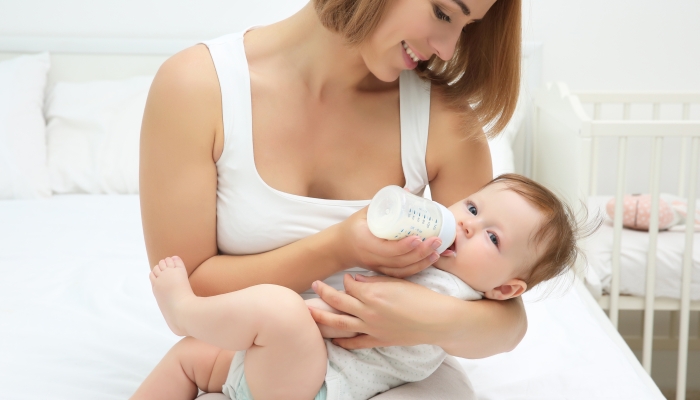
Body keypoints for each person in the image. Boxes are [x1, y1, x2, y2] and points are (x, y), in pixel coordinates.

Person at [138, 0, 523, 397]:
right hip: (261, 368)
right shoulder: (197, 87)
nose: (447, 48)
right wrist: (339, 247)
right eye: (443, 13)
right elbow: (190, 294)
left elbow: (506, 319)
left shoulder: (446, 121)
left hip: (388, 376)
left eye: (467, 25)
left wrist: (427, 318)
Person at [132, 174, 583, 400]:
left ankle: (182, 310)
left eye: (492, 237)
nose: (466, 225)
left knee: (281, 310)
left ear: (505, 289)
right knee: (189, 359)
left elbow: (466, 330)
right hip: (273, 367)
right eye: (471, 207)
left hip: (318, 386)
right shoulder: (426, 253)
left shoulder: (456, 298)